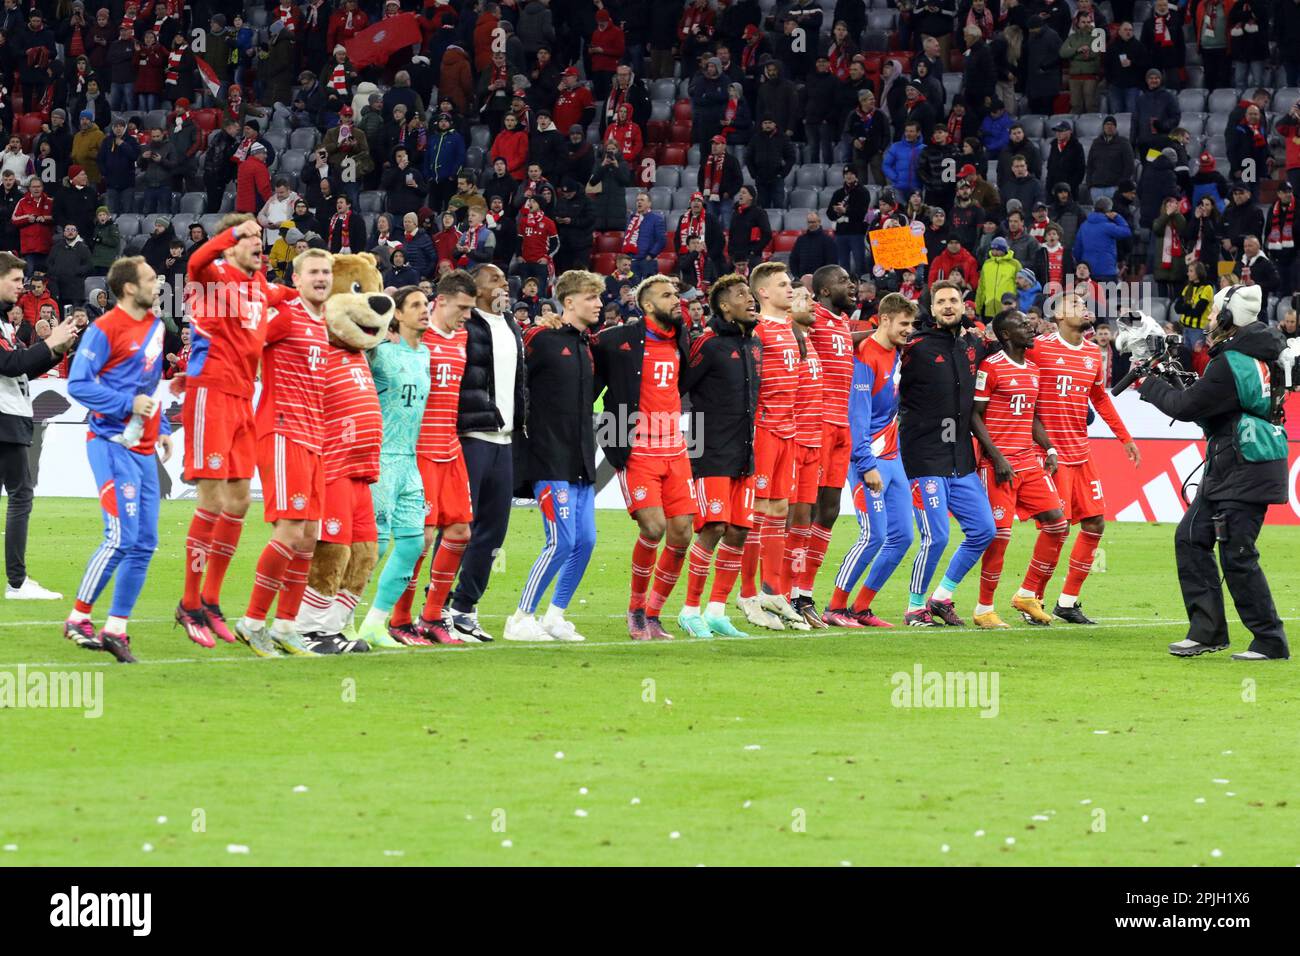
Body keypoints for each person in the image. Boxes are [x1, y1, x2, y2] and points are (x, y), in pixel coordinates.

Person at [1139, 284, 1289, 661]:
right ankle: (1207, 632)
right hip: (1237, 463)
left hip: (1242, 465)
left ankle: (1269, 640)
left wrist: (1148, 382)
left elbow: (1187, 407)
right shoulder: (1258, 356)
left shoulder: (1230, 363)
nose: (1208, 319)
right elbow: (1211, 406)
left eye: (1213, 312)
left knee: (1237, 554)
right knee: (1191, 537)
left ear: (1227, 317)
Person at [175, 216, 295, 646]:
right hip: (212, 392)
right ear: (230, 246)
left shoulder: (260, 286)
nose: (258, 246)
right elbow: (195, 260)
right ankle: (189, 603)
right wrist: (233, 232)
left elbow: (291, 297)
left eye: (261, 239)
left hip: (245, 398)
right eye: (250, 240)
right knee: (212, 497)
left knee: (240, 501)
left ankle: (210, 599)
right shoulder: (213, 276)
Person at [62, 255, 170, 663]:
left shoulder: (156, 327)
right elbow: (78, 385)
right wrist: (128, 405)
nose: (156, 284)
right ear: (129, 288)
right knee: (120, 537)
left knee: (145, 543)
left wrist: (158, 428)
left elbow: (150, 385)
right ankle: (78, 617)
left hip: (141, 447)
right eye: (148, 279)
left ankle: (116, 629)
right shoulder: (104, 329)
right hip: (108, 442)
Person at [230, 249, 334, 658]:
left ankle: (286, 626)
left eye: (326, 272)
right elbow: (246, 344)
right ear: (298, 277)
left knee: (309, 537)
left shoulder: (325, 323)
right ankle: (252, 620)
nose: (322, 278)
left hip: (315, 436)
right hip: (282, 430)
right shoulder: (287, 315)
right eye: (313, 272)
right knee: (289, 530)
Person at [591, 274, 696, 640]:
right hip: (636, 450)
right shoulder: (616, 341)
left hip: (676, 448)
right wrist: (610, 437)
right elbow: (588, 383)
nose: (676, 300)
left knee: (682, 534)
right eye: (667, 295)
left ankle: (653, 614)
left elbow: (681, 386)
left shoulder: (681, 339)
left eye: (676, 294)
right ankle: (635, 609)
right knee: (653, 528)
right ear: (647, 305)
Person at [1027, 289, 1139, 623]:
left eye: (1083, 303)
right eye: (1073, 304)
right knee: (1056, 529)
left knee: (1095, 523)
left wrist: (1126, 438)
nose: (1082, 307)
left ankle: (1067, 601)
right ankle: (1032, 599)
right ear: (1058, 315)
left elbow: (1100, 399)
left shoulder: (1093, 353)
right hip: (1050, 454)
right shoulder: (1038, 348)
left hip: (1082, 452)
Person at [503, 269, 602, 642]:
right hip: (547, 455)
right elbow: (514, 374)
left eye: (598, 297)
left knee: (586, 541)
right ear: (569, 301)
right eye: (590, 297)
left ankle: (554, 615)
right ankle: (520, 618)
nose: (597, 304)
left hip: (580, 458)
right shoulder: (540, 339)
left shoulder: (585, 345)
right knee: (560, 540)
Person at [384, 270, 479, 645]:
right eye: (462, 307)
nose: (467, 315)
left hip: (450, 448)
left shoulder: (464, 338)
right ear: (440, 302)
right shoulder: (415, 341)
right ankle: (399, 619)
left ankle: (433, 616)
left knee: (460, 532)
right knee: (419, 540)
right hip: (419, 450)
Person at [898, 280, 996, 626]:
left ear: (964, 304)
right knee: (937, 536)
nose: (949, 306)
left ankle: (941, 597)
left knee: (985, 529)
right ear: (931, 307)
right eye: (941, 302)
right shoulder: (914, 346)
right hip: (925, 456)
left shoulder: (973, 343)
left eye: (954, 300)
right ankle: (914, 607)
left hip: (960, 458)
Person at [675, 273, 762, 638]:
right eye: (743, 294)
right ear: (725, 306)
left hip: (745, 452)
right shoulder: (706, 344)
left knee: (740, 530)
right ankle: (689, 610)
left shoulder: (753, 344)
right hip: (710, 450)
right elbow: (680, 387)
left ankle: (716, 611)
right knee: (713, 526)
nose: (751, 298)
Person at [823, 293, 917, 627]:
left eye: (911, 324)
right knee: (873, 536)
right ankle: (835, 607)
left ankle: (861, 608)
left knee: (904, 536)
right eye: (903, 323)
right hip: (869, 460)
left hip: (893, 458)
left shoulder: (895, 352)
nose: (908, 330)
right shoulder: (864, 357)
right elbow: (856, 417)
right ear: (886, 319)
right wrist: (865, 464)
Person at [970, 311, 1069, 628]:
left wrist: (1049, 448)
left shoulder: (1034, 370)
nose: (1030, 328)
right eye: (1023, 325)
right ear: (1006, 335)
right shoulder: (991, 367)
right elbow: (974, 416)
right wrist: (996, 457)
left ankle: (1027, 593)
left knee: (1058, 524)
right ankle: (984, 608)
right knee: (1000, 536)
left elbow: (1033, 417)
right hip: (999, 464)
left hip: (1029, 461)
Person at [443, 264, 526, 642]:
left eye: (504, 279)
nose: (503, 283)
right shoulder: (465, 325)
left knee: (494, 533)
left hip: (505, 439)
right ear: (474, 288)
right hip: (472, 437)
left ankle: (465, 607)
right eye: (494, 279)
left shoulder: (510, 324)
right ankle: (438, 605)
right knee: (460, 527)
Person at [355, 286, 435, 649]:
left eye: (426, 304)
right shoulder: (380, 355)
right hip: (382, 457)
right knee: (376, 541)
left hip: (409, 459)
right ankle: (335, 619)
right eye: (415, 305)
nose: (424, 309)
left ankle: (374, 623)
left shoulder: (426, 355)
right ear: (397, 315)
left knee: (413, 543)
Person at [0, 251, 77, 600]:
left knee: (20, 495)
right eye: (15, 280)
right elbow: (11, 364)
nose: (21, 287)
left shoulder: (5, 323)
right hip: (5, 417)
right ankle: (17, 583)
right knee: (21, 495)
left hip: (11, 413)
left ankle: (17, 581)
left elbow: (22, 368)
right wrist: (48, 343)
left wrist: (57, 351)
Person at [736, 262, 808, 631]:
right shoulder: (759, 331)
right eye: (782, 284)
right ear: (763, 292)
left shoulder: (792, 331)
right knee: (758, 510)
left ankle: (772, 590)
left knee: (780, 507)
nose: (790, 289)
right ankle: (747, 593)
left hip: (789, 429)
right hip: (763, 429)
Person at [790, 265, 858, 617]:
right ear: (824, 291)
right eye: (844, 280)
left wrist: (883, 333)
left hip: (841, 426)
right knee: (806, 509)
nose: (852, 285)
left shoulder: (843, 323)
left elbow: (847, 343)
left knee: (830, 510)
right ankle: (788, 589)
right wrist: (801, 305)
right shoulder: (811, 316)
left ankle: (805, 593)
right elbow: (789, 316)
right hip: (815, 423)